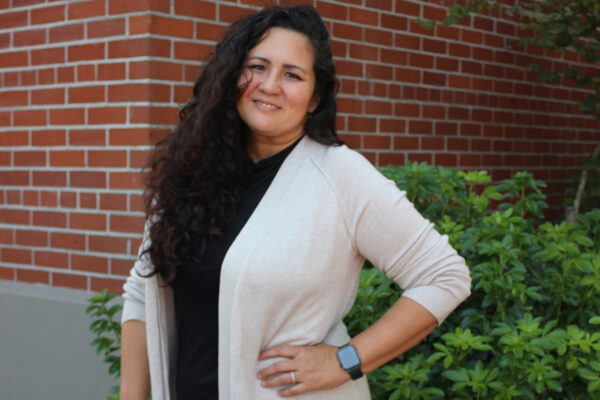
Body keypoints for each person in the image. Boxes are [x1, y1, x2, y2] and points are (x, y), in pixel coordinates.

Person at [120, 4, 471, 400]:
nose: (270, 85)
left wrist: (346, 360)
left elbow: (444, 277)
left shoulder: (340, 176)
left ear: (315, 97)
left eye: (292, 74)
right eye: (257, 66)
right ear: (233, 74)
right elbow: (141, 289)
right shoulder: (193, 169)